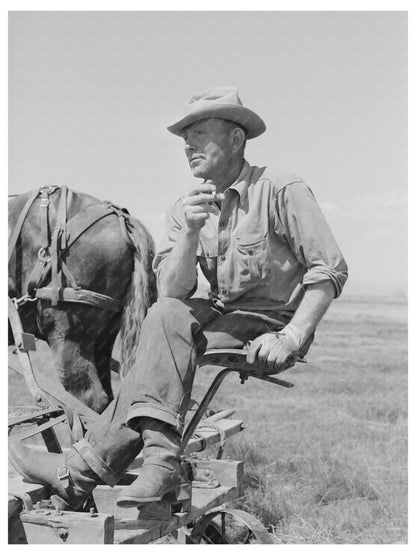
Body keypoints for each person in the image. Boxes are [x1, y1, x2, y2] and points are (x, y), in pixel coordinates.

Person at [9, 87, 348, 511]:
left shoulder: (279, 187)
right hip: (222, 314)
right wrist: (189, 232)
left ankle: (91, 470)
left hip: (271, 322)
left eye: (199, 133)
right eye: (184, 137)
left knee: (162, 339)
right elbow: (172, 291)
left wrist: (293, 336)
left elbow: (329, 269)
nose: (187, 145)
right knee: (164, 316)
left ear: (236, 139)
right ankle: (130, 467)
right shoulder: (185, 208)